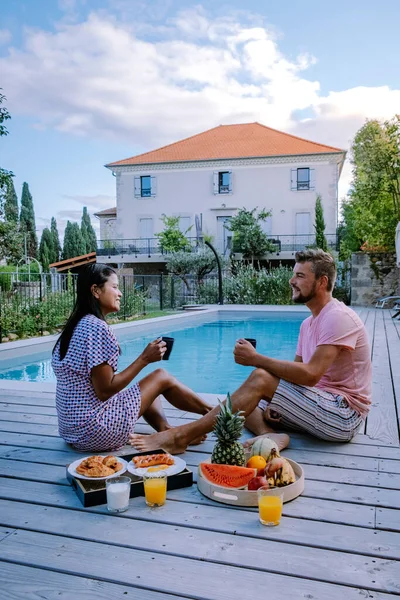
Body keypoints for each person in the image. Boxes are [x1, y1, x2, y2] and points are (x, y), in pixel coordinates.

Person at [129, 249, 372, 454]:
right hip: (318, 404)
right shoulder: (308, 324)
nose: (291, 281)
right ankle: (270, 435)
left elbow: (310, 375)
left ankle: (179, 436)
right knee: (245, 402)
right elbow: (296, 377)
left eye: (299, 275)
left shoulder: (337, 317)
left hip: (343, 415)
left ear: (322, 282)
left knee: (259, 379)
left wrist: (257, 360)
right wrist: (277, 403)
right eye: (293, 275)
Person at [52, 263, 212, 452]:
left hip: (72, 431)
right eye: (114, 287)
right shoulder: (97, 328)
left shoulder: (76, 326)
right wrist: (144, 359)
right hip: (93, 430)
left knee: (145, 386)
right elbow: (105, 391)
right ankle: (215, 415)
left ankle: (165, 431)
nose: (119, 293)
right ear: (95, 290)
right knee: (161, 376)